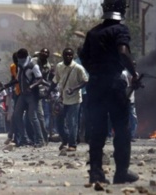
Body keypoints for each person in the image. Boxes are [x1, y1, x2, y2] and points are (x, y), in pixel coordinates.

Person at [79, 0, 140, 184]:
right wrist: (134, 74)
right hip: (114, 85)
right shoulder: (120, 30)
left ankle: (96, 173)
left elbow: (82, 52)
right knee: (121, 129)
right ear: (121, 10)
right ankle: (121, 172)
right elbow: (123, 52)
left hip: (95, 86)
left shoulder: (93, 32)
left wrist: (94, 70)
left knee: (97, 130)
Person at [48, 48, 88, 151]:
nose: (68, 57)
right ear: (63, 55)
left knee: (72, 122)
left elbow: (85, 81)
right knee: (59, 122)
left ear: (73, 56)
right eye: (66, 55)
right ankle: (65, 140)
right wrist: (48, 91)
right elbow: (55, 80)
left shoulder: (78, 68)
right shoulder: (59, 66)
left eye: (70, 55)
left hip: (75, 99)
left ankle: (72, 144)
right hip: (62, 99)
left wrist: (74, 89)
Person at [12, 48, 44, 147]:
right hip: (22, 94)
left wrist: (31, 86)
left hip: (32, 95)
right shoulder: (20, 66)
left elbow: (40, 79)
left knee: (33, 117)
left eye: (21, 58)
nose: (20, 60)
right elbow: (17, 80)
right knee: (16, 115)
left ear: (26, 57)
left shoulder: (33, 66)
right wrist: (6, 85)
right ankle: (24, 139)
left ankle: (40, 140)